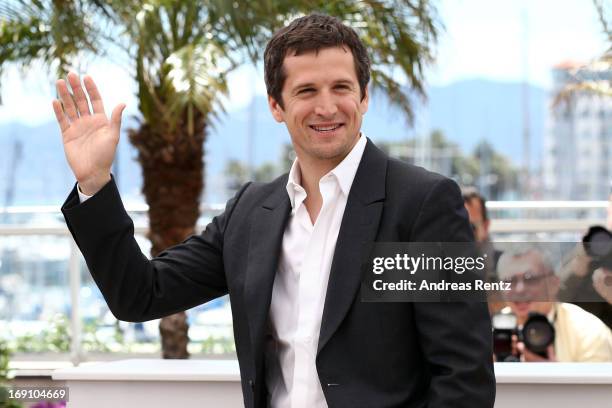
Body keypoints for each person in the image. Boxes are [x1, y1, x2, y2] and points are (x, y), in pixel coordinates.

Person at [54, 14, 495, 408]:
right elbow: (140, 294)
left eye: (341, 87)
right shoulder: (251, 213)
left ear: (364, 97)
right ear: (276, 106)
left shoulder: (424, 204)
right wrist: (94, 183)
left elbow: (464, 380)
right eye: (306, 91)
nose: (327, 107)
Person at [497, 246, 612, 362]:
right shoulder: (491, 329)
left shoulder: (588, 330)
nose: (519, 289)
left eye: (530, 279)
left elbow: (595, 379)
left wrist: (554, 373)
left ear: (553, 284)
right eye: (509, 281)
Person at [463, 188, 503, 314]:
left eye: (471, 227)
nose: (461, 235)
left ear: (485, 227)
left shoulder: (504, 268)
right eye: (456, 226)